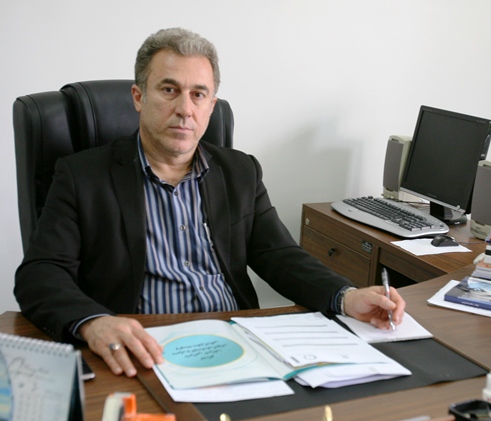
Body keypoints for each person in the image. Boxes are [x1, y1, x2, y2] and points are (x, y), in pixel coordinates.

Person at [14, 28, 405, 377]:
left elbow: (280, 256)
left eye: (198, 94)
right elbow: (41, 273)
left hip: (238, 345)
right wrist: (93, 322)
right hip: (143, 351)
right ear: (138, 97)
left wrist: (346, 296)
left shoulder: (240, 171)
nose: (185, 109)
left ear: (211, 106)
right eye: (169, 90)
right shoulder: (83, 176)